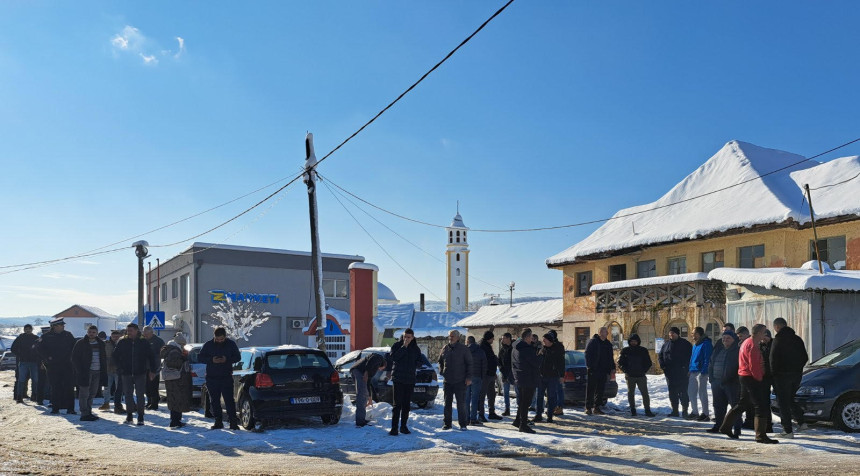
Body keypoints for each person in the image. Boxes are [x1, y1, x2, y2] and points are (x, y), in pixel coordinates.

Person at [719, 324, 778, 444]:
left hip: (744, 376)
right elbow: (754, 366)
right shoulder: (752, 345)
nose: (765, 334)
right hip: (750, 377)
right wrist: (760, 378)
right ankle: (761, 435)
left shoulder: (747, 342)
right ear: (759, 333)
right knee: (760, 405)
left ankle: (725, 427)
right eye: (764, 332)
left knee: (743, 403)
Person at [770, 317, 809, 439]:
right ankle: (802, 423)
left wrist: (774, 374)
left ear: (777, 327)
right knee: (790, 399)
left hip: (782, 377)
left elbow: (773, 359)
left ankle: (787, 430)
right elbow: (805, 357)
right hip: (796, 376)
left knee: (783, 403)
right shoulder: (797, 339)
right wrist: (797, 369)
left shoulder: (778, 340)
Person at [113, 323, 158, 425]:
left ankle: (141, 417)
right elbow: (115, 356)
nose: (129, 333)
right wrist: (120, 368)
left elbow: (151, 357)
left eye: (131, 331)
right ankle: (129, 416)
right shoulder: (122, 342)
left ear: (137, 330)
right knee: (128, 395)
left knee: (140, 395)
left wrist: (152, 370)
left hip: (140, 373)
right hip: (126, 373)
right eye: (128, 331)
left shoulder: (143, 342)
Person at [198, 327, 241, 430]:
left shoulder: (231, 344)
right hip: (212, 377)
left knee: (229, 400)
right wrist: (211, 360)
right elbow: (200, 357)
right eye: (217, 339)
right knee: (215, 401)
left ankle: (233, 423)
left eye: (221, 339)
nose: (219, 341)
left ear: (225, 336)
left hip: (226, 377)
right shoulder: (208, 345)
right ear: (214, 337)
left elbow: (238, 357)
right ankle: (218, 422)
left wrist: (227, 359)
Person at [37, 317, 77, 415]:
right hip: (53, 366)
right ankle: (55, 408)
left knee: (69, 387)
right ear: (55, 326)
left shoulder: (68, 335)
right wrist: (47, 359)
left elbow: (75, 348)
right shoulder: (46, 336)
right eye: (61, 325)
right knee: (55, 387)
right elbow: (39, 349)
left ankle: (70, 409)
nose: (63, 326)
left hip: (67, 365)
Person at [387, 328, 422, 436]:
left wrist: (417, 364)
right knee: (397, 405)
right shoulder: (397, 345)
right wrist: (404, 347)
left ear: (412, 337)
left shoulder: (415, 349)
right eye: (405, 337)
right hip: (398, 379)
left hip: (410, 380)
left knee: (406, 405)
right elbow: (394, 358)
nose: (406, 339)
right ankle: (394, 428)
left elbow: (419, 361)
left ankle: (403, 426)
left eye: (408, 337)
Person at [707, 330, 742, 437]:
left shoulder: (737, 350)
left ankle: (737, 429)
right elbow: (711, 363)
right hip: (716, 382)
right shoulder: (718, 349)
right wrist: (711, 378)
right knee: (718, 406)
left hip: (731, 383)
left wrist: (731, 378)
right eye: (724, 338)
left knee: (734, 407)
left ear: (733, 339)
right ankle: (718, 425)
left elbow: (738, 366)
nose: (725, 340)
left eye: (728, 338)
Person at [71, 325, 107, 422]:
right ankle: (84, 413)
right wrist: (80, 370)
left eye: (93, 332)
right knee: (84, 394)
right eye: (90, 332)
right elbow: (74, 358)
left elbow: (104, 357)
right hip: (85, 372)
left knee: (92, 393)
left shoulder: (101, 344)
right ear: (87, 332)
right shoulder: (81, 343)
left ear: (97, 333)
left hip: (97, 371)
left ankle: (89, 412)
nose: (91, 334)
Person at [438, 329, 472, 430]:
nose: (450, 338)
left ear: (457, 337)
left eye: (452, 336)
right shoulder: (445, 348)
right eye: (449, 336)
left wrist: (469, 377)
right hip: (448, 381)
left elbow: (470, 364)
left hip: (460, 381)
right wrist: (442, 371)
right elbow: (440, 361)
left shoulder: (464, 349)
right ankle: (447, 424)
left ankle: (463, 424)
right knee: (447, 403)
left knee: (461, 404)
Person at [658, 326, 692, 417]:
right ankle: (675, 411)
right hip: (670, 373)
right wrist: (663, 367)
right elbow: (660, 356)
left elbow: (690, 358)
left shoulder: (686, 344)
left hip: (682, 373)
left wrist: (686, 368)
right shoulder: (666, 345)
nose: (671, 335)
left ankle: (685, 410)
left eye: (673, 333)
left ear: (677, 334)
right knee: (672, 393)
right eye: (670, 334)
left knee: (683, 392)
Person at [160, 332, 192, 428]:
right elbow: (174, 364)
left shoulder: (172, 349)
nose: (184, 346)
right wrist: (183, 358)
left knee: (176, 400)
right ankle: (175, 421)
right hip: (176, 380)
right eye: (183, 344)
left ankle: (176, 420)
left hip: (174, 380)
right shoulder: (175, 351)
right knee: (176, 400)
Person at [617, 333, 654, 417]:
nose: (633, 342)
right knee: (631, 393)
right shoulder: (625, 350)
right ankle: (632, 409)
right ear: (629, 342)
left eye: (635, 341)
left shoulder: (643, 350)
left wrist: (643, 371)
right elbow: (620, 362)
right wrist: (626, 371)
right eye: (632, 341)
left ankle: (647, 410)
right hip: (630, 376)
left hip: (641, 376)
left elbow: (648, 362)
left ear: (638, 341)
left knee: (645, 393)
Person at [512, 328, 540, 434]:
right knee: (525, 402)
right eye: (531, 336)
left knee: (523, 401)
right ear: (527, 337)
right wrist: (540, 354)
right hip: (528, 377)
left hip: (519, 376)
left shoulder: (516, 347)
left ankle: (517, 420)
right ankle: (523, 425)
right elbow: (536, 362)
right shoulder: (526, 349)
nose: (532, 338)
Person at [350, 351, 386, 427]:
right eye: (382, 369)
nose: (380, 370)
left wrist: (370, 398)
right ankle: (360, 421)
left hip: (356, 370)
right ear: (383, 365)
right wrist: (366, 372)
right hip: (359, 371)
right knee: (362, 396)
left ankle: (361, 419)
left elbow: (368, 383)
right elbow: (372, 359)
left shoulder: (374, 367)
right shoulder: (379, 358)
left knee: (363, 394)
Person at [584, 327, 616, 415]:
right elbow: (587, 354)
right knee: (591, 389)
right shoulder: (593, 342)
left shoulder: (608, 344)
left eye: (606, 332)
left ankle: (597, 407)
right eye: (604, 332)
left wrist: (612, 367)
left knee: (600, 390)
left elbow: (610, 357)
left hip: (604, 370)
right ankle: (588, 407)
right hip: (594, 369)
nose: (606, 333)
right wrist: (589, 366)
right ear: (599, 333)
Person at [535, 332, 564, 423]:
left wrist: (562, 375)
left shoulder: (557, 349)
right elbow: (537, 362)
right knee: (539, 396)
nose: (543, 341)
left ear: (550, 340)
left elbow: (561, 363)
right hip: (541, 377)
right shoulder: (541, 349)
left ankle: (550, 415)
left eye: (545, 339)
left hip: (552, 377)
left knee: (551, 397)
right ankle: (538, 415)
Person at [688, 327, 713, 421]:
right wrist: (689, 369)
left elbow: (708, 359)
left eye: (694, 333)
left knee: (702, 393)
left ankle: (705, 413)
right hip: (693, 371)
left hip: (701, 372)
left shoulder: (706, 344)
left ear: (699, 334)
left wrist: (704, 371)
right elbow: (692, 358)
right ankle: (695, 412)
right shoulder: (695, 345)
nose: (692, 335)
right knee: (691, 392)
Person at [11, 324, 39, 404]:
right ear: (24, 330)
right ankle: (19, 397)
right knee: (21, 380)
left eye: (29, 329)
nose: (28, 330)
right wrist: (20, 355)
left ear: (32, 329)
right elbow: (13, 348)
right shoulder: (20, 338)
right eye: (26, 329)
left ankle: (34, 395)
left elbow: (40, 349)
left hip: (34, 362)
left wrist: (37, 357)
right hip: (23, 362)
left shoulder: (35, 338)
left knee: (35, 380)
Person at [479, 331, 502, 420]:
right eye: (492, 338)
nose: (493, 340)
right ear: (489, 338)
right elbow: (486, 360)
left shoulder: (487, 346)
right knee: (482, 395)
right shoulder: (482, 347)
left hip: (491, 373)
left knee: (491, 395)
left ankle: (491, 412)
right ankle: (481, 414)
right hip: (485, 374)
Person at [465, 335, 487, 426]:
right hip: (477, 377)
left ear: (468, 342)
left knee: (466, 399)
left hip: (466, 377)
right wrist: (482, 377)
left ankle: (466, 418)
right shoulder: (480, 351)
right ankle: (473, 419)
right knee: (475, 399)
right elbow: (484, 365)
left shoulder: (464, 351)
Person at [142, 326, 165, 410]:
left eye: (146, 334)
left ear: (151, 332)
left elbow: (162, 353)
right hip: (144, 367)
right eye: (144, 333)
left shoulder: (158, 341)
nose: (145, 335)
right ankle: (149, 402)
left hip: (154, 367)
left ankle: (154, 404)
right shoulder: (143, 340)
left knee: (153, 387)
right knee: (146, 387)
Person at [734, 326, 753, 429]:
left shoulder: (750, 343)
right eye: (738, 336)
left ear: (746, 334)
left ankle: (750, 420)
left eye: (741, 336)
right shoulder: (740, 344)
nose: (739, 338)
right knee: (744, 400)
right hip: (741, 374)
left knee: (749, 401)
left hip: (748, 375)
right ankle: (746, 420)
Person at [101, 330, 124, 413]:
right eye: (113, 336)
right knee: (107, 387)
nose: (115, 338)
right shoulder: (106, 344)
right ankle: (106, 403)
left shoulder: (122, 344)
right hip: (108, 369)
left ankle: (118, 404)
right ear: (111, 336)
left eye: (117, 337)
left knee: (119, 388)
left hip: (118, 369)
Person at [497, 332, 517, 416]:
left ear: (508, 338)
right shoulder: (502, 349)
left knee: (518, 392)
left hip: (514, 374)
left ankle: (520, 410)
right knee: (505, 392)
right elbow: (499, 361)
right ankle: (507, 409)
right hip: (504, 374)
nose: (502, 340)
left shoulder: (514, 348)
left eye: (504, 338)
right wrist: (501, 369)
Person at [548, 329, 566, 416]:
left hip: (558, 372)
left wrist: (562, 374)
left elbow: (561, 361)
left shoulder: (559, 346)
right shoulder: (548, 346)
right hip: (550, 373)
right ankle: (553, 407)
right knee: (552, 392)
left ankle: (559, 408)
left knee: (559, 390)